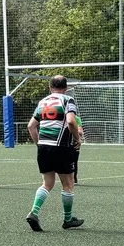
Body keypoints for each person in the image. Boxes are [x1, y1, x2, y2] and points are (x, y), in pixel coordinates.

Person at [25, 75, 83, 232]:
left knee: (47, 183)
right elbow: (70, 121)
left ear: (50, 88)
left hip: (44, 147)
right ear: (66, 88)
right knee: (68, 184)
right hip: (61, 147)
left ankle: (34, 213)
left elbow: (31, 126)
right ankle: (68, 219)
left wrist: (39, 144)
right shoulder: (67, 100)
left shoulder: (43, 102)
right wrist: (77, 139)